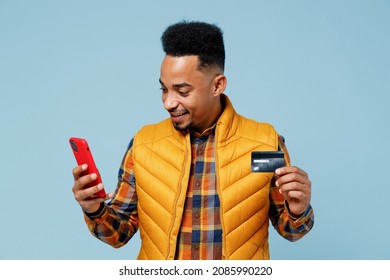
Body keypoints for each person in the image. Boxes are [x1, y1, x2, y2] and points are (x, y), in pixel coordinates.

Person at [72, 20, 314, 260]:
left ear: (217, 85)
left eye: (182, 91)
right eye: (164, 89)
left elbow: (291, 230)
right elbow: (118, 234)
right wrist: (94, 209)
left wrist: (297, 210)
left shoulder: (262, 145)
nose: (168, 102)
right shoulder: (144, 145)